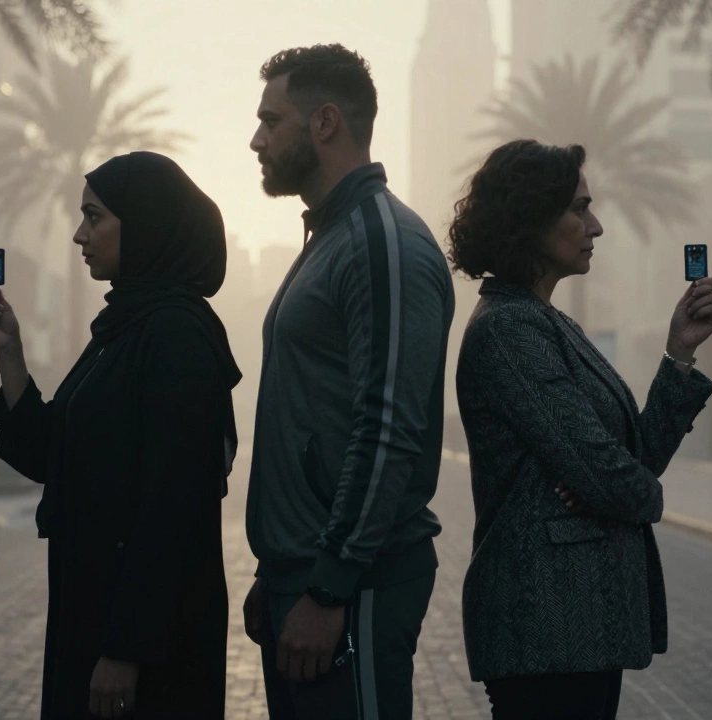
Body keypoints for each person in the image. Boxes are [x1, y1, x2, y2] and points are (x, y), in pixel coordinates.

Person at [450, 140, 712, 720]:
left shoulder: (543, 320)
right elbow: (613, 475)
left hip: (578, 630)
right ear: (529, 219)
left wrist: (680, 356)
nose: (594, 225)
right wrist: (621, 491)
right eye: (579, 208)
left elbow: (627, 459)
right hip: (545, 629)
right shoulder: (509, 330)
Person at [0, 152, 241, 719]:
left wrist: (125, 649)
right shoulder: (122, 330)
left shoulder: (176, 338)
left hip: (147, 646)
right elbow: (55, 456)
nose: (79, 234)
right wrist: (10, 351)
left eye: (94, 217)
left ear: (144, 223)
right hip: (96, 615)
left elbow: (173, 508)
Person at [241, 44, 455, 719]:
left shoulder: (381, 243)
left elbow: (387, 426)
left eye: (271, 120)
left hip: (354, 589)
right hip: (301, 580)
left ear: (325, 122)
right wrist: (274, 573)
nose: (256, 139)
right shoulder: (332, 239)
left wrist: (328, 589)